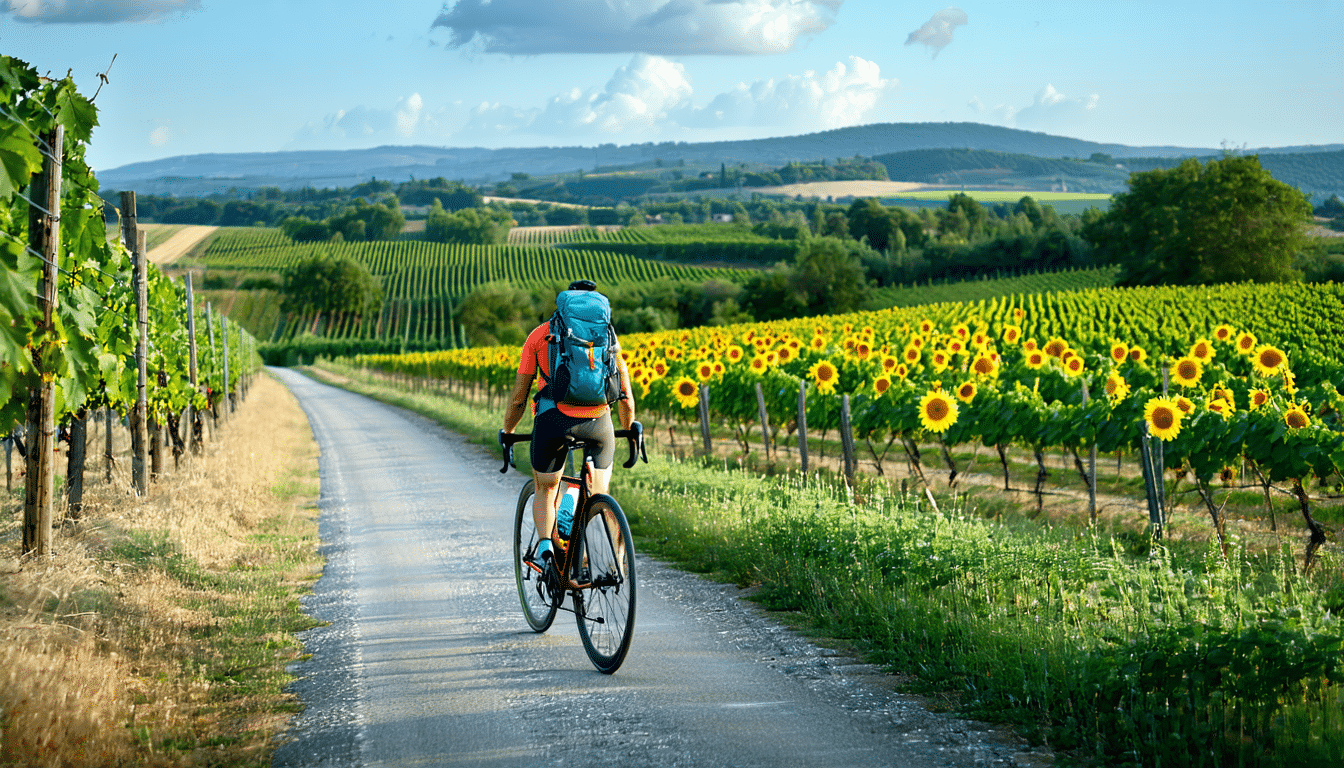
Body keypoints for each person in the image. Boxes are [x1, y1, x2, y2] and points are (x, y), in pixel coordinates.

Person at [503, 280, 635, 563]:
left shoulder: (539, 336)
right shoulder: (608, 337)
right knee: (598, 492)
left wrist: (509, 431)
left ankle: (545, 550)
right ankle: (614, 558)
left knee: (546, 487)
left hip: (553, 421)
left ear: (561, 306)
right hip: (599, 422)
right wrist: (628, 429)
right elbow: (624, 397)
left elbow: (518, 399)